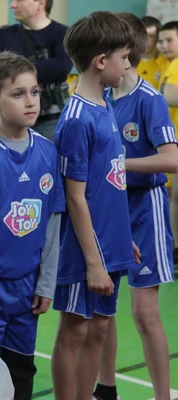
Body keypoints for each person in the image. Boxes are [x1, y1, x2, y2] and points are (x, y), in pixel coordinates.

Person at [51, 12, 139, 400]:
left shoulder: (105, 104)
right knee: (76, 330)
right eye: (124, 57)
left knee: (101, 328)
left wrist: (122, 240)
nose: (128, 65)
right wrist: (93, 261)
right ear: (101, 61)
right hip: (85, 250)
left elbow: (111, 182)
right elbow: (75, 196)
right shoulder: (76, 119)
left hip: (112, 243)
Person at [0, 52, 63, 399]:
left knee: (22, 370)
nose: (30, 102)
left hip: (29, 288)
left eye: (34, 92)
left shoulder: (47, 152)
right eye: (18, 94)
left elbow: (53, 220)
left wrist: (46, 282)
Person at [94, 13, 177, 400]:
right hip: (111, 211)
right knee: (104, 310)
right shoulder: (102, 97)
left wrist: (120, 164)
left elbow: (171, 159)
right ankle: (106, 388)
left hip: (146, 208)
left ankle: (164, 395)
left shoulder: (149, 99)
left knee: (144, 313)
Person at [0, 0, 72, 141]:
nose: (13, 5)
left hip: (49, 120)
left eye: (19, 0)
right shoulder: (4, 35)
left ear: (40, 3)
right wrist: (40, 71)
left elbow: (61, 67)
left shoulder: (62, 34)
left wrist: (11, 75)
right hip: (4, 119)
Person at [158, 20, 178, 265]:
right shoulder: (173, 65)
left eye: (169, 40)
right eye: (161, 40)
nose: (163, 45)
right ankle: (174, 249)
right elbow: (170, 95)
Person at [137, 16, 167, 89]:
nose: (144, 39)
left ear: (158, 38)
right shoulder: (126, 60)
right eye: (141, 34)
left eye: (150, 36)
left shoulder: (166, 61)